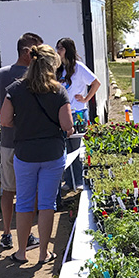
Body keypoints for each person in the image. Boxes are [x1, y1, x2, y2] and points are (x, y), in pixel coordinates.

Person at [0, 44, 74, 264]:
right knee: (46, 204)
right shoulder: (59, 90)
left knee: (23, 203)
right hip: (52, 153)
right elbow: (67, 125)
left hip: (25, 153)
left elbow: (4, 120)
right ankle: (43, 253)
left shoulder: (15, 89)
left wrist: (24, 124)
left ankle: (22, 252)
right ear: (52, 65)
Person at [0, 32, 43, 250]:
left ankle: (6, 234)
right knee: (29, 192)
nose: (39, 55)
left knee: (8, 189)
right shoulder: (36, 75)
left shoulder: (1, 74)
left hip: (7, 141)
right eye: (36, 50)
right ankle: (28, 234)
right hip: (29, 143)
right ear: (26, 52)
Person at [55, 37, 101, 194]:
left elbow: (96, 83)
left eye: (60, 48)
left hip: (78, 113)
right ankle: (68, 180)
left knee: (76, 147)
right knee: (64, 148)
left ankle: (79, 180)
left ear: (67, 49)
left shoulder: (79, 67)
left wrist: (86, 98)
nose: (57, 51)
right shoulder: (58, 68)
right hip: (61, 113)